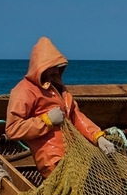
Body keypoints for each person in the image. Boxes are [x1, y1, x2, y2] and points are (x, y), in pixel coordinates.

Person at [6, 36, 115, 179]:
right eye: (51, 67)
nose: (56, 72)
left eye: (57, 67)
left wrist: (97, 137)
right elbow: (13, 129)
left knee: (107, 177)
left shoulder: (59, 88)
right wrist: (47, 121)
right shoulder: (23, 91)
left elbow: (75, 116)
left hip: (77, 153)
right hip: (53, 160)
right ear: (40, 67)